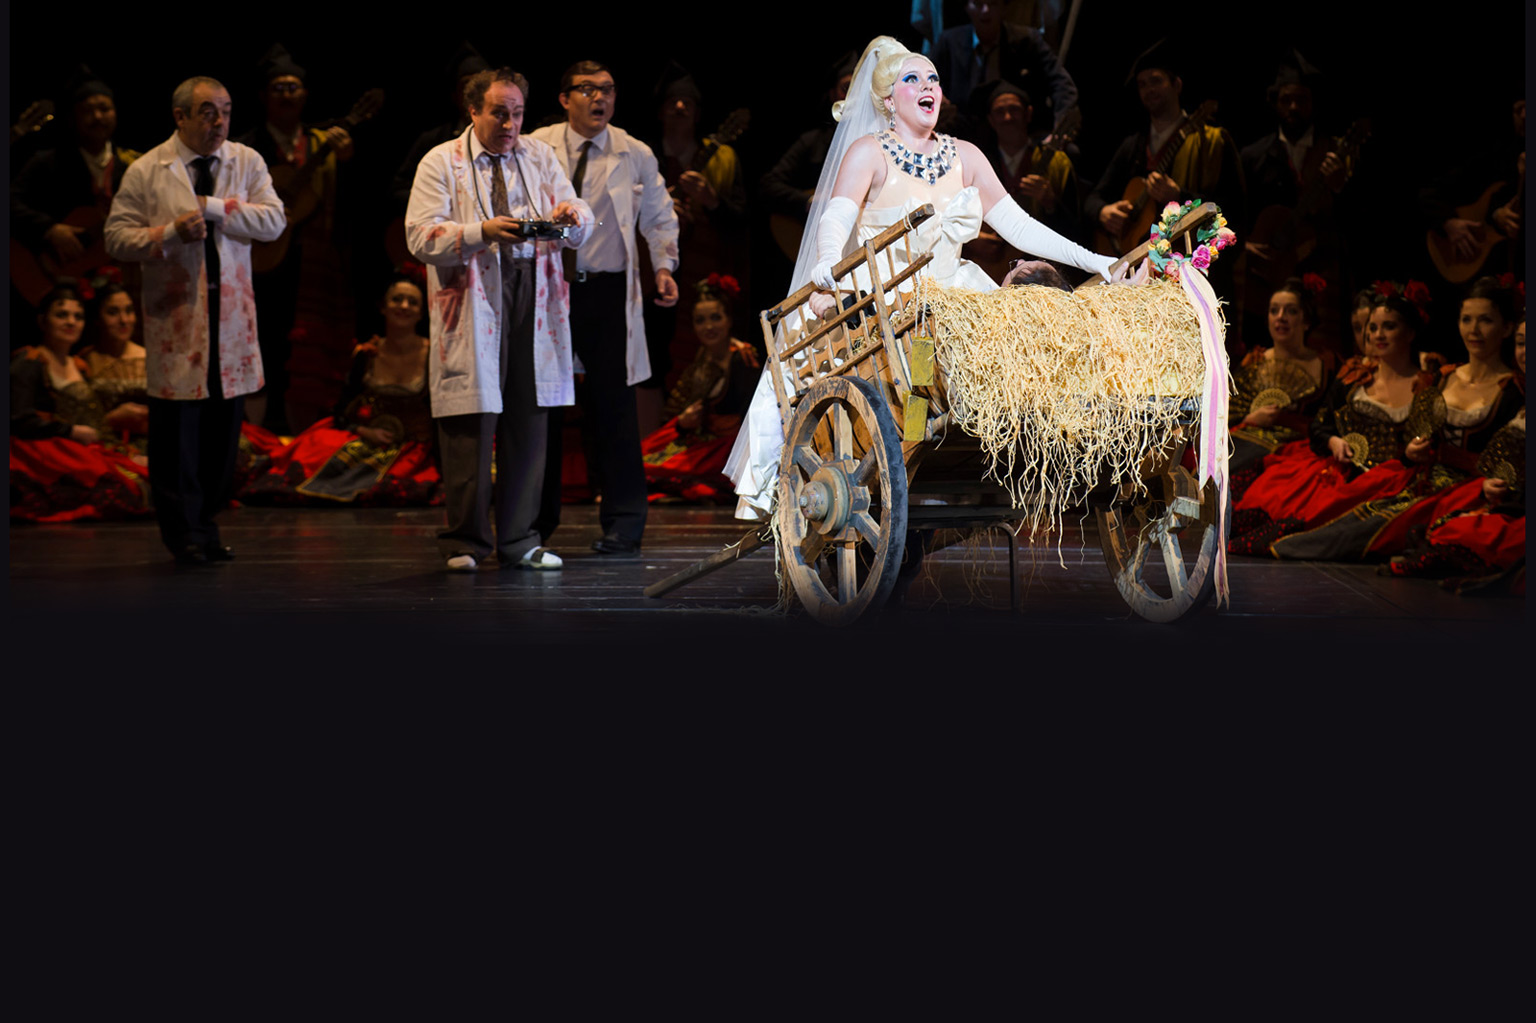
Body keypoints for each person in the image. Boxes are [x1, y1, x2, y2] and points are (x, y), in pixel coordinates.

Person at [726, 35, 1115, 521]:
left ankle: (1022, 450)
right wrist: (827, 262)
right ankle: (908, 450)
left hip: (953, 296)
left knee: (1018, 334)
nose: (928, 86)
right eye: (912, 79)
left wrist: (1093, 260)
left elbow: (1018, 226)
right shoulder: (868, 152)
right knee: (912, 361)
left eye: (934, 78)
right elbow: (836, 217)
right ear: (889, 100)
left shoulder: (965, 155)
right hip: (887, 299)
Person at [405, 67, 592, 571]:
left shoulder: (539, 155)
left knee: (529, 416)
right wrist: (480, 232)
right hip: (473, 294)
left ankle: (520, 540)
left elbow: (576, 210)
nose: (510, 125)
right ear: (473, 111)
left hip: (533, 291)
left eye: (517, 114)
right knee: (471, 420)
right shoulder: (441, 161)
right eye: (499, 114)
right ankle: (465, 541)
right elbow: (419, 236)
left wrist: (572, 215)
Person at [103, 75, 286, 565]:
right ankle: (182, 532)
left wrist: (214, 208)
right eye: (207, 112)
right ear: (180, 116)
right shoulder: (148, 169)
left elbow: (274, 221)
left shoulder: (246, 161)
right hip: (177, 323)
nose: (218, 121)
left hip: (231, 323)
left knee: (221, 437)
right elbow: (116, 237)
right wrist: (166, 233)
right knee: (176, 437)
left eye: (225, 111)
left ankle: (205, 526)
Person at [528, 60, 680, 557]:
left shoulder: (633, 151)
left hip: (607, 292)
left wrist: (663, 267)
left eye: (608, 90)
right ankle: (533, 525)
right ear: (564, 98)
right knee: (544, 406)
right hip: (550, 291)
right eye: (588, 89)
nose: (600, 98)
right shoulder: (536, 146)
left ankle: (624, 523)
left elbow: (659, 217)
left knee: (613, 407)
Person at [1271, 276, 1522, 560]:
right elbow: (1420, 436)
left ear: (1507, 328)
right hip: (1421, 481)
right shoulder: (1443, 377)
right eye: (1467, 320)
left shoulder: (1513, 390)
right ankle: (1286, 545)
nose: (1473, 330)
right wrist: (1414, 451)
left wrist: (1496, 482)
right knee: (1352, 517)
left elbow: (1514, 461)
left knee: (1380, 530)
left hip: (1471, 491)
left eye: (1485, 320)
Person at [1228, 282, 1436, 556]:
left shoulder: (1425, 385)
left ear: (1409, 332)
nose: (1378, 335)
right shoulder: (1355, 376)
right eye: (1373, 327)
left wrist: (1411, 453)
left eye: (1389, 327)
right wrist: (1333, 441)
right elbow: (1321, 425)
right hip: (1338, 467)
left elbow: (1429, 440)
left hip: (1388, 476)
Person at [236, 43, 356, 434]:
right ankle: (260, 429)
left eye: (293, 87)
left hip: (315, 265)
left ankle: (312, 428)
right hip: (263, 264)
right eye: (278, 88)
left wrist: (347, 161)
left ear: (305, 95)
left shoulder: (323, 144)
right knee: (265, 340)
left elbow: (351, 204)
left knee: (311, 345)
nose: (287, 95)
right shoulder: (245, 148)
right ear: (262, 96)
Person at [239, 275, 439, 505]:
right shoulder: (367, 353)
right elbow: (342, 409)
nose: (404, 306)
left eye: (412, 302)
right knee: (310, 460)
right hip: (369, 440)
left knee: (397, 488)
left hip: (413, 448)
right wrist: (366, 431)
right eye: (397, 299)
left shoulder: (432, 354)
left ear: (421, 313)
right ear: (383, 307)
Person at [1084, 39, 1243, 267]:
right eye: (1142, 84)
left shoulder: (1211, 142)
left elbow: (1234, 209)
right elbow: (1092, 198)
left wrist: (1180, 195)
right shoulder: (1133, 145)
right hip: (1137, 268)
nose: (1149, 90)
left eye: (1156, 81)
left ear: (1177, 85)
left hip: (1191, 265)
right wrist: (1103, 211)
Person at [10, 284, 150, 522]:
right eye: (61, 315)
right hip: (52, 450)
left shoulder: (79, 365)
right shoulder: (30, 362)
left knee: (149, 478)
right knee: (123, 491)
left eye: (78, 316)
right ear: (43, 321)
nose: (71, 322)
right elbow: (18, 418)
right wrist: (70, 431)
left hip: (90, 447)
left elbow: (94, 419)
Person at [10, 67, 141, 307]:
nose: (98, 117)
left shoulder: (134, 164)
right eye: (87, 110)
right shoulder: (47, 162)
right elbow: (11, 202)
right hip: (49, 278)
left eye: (104, 109)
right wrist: (49, 229)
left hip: (116, 279)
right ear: (72, 117)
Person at [640, 274, 761, 501]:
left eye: (716, 318)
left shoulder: (742, 358)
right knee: (640, 461)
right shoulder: (700, 361)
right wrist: (684, 422)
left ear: (729, 320)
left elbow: (752, 414)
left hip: (731, 447)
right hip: (704, 442)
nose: (708, 327)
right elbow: (675, 410)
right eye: (700, 320)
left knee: (653, 471)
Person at [962, 79, 1083, 283]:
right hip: (986, 274)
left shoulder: (1056, 163)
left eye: (1014, 110)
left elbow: (1079, 230)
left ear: (1028, 114)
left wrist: (1051, 204)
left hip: (1043, 276)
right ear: (991, 120)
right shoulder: (976, 165)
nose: (1007, 117)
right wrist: (970, 240)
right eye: (1000, 112)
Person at [1227, 275, 1337, 494]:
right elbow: (1227, 413)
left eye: (1291, 311)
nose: (1281, 317)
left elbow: (1332, 420)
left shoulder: (1326, 365)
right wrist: (1249, 419)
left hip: (1297, 452)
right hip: (1247, 441)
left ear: (1306, 321)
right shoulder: (1255, 361)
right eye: (1274, 310)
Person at [930, 0, 1079, 135]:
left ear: (1003, 8)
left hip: (1016, 129)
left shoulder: (1027, 40)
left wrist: (1058, 129)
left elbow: (1062, 84)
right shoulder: (949, 41)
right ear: (967, 7)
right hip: (963, 129)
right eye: (978, 4)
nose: (985, 10)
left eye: (993, 4)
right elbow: (925, 77)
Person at [77, 282, 149, 451]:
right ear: (97, 318)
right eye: (113, 312)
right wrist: (111, 419)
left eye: (129, 311)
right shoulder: (84, 361)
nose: (124, 320)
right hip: (100, 446)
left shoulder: (149, 359)